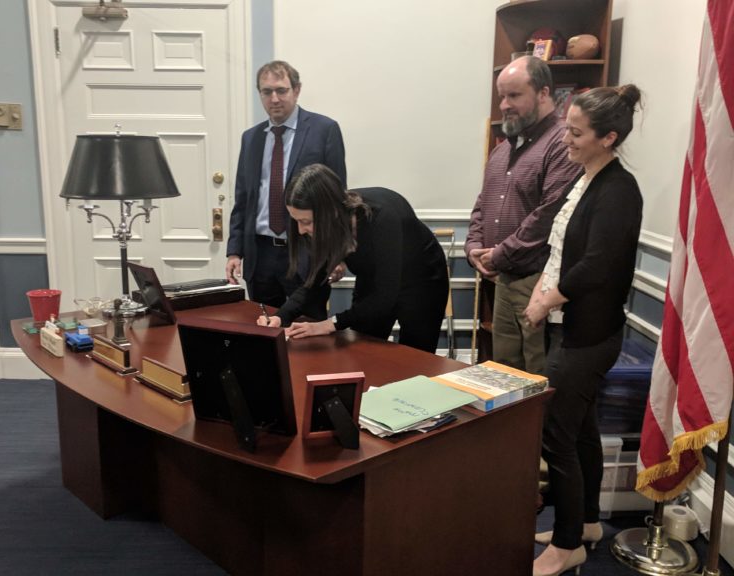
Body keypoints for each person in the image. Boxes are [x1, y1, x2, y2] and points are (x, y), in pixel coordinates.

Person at [524, 85, 643, 576]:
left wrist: (546, 299)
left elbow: (597, 264)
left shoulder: (619, 190)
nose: (565, 139)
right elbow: (563, 250)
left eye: (575, 132)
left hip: (590, 334)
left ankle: (569, 544)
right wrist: (543, 291)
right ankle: (588, 522)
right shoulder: (588, 178)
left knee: (557, 437)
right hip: (572, 325)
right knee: (584, 432)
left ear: (608, 137)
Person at [464, 55, 580, 374]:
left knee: (536, 370)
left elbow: (548, 216)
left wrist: (499, 254)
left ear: (544, 93)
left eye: (514, 95)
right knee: (503, 368)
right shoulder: (503, 149)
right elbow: (482, 203)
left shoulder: (561, 145)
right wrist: (473, 247)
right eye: (502, 96)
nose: (504, 105)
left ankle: (536, 427)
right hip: (503, 277)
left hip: (537, 279)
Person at [257, 163, 449, 354]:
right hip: (374, 281)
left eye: (305, 222)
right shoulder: (327, 225)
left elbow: (384, 299)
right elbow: (315, 281)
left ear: (330, 213)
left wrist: (330, 324)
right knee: (362, 351)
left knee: (414, 360)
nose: (300, 230)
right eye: (296, 220)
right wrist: (281, 316)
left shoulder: (383, 217)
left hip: (423, 281)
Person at [226, 61, 347, 319]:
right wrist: (235, 251)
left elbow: (338, 199)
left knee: (308, 333)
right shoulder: (251, 138)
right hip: (260, 255)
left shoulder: (324, 130)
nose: (274, 98)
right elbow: (243, 198)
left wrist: (339, 254)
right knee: (265, 329)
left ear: (297, 90)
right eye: (266, 91)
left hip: (308, 251)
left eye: (281, 90)